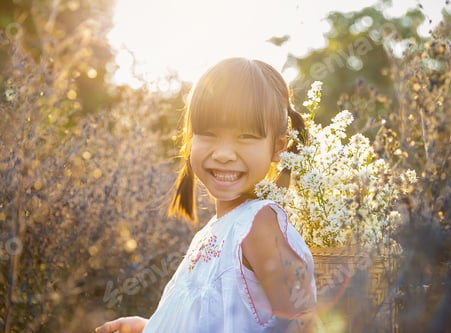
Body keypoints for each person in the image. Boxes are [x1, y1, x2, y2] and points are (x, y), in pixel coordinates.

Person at [95, 57, 316, 333]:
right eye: (209, 134)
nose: (223, 154)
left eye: (246, 136)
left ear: (278, 147)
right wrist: (150, 327)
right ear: (190, 139)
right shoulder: (217, 230)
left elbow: (302, 319)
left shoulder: (258, 223)